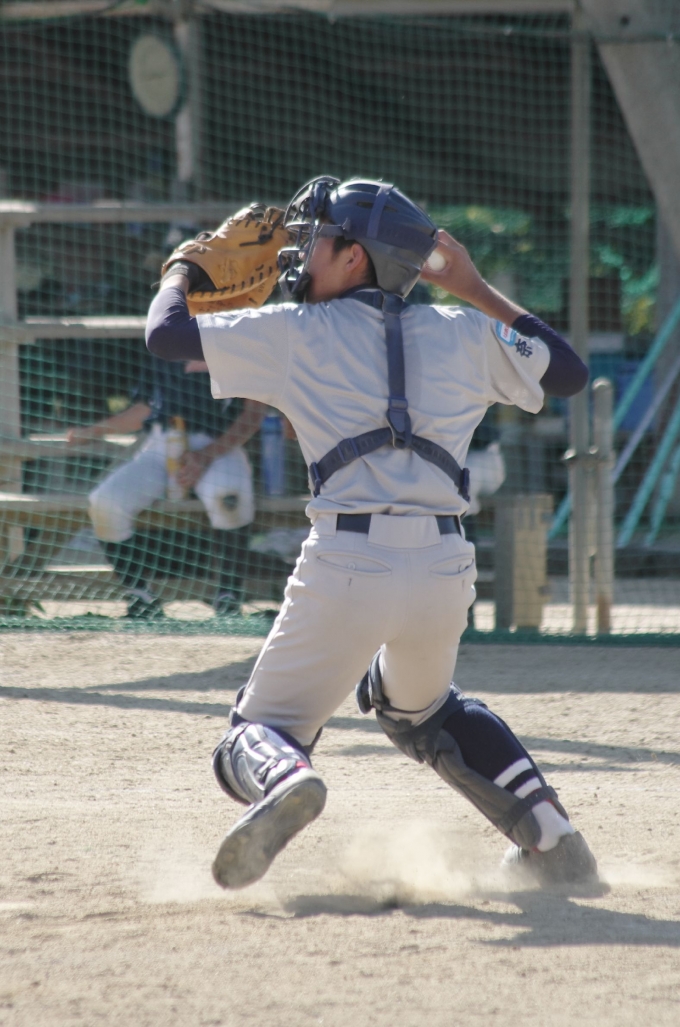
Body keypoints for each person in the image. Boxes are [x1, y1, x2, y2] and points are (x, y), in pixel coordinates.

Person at [146, 176, 597, 890]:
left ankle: (287, 778)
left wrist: (184, 270)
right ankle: (551, 837)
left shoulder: (296, 331)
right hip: (444, 570)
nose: (299, 252)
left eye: (318, 239)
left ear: (356, 256)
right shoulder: (463, 330)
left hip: (347, 563)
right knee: (422, 711)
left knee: (252, 738)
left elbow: (164, 335)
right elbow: (568, 373)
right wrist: (473, 287)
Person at [68, 358, 266, 617]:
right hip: (161, 445)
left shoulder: (235, 339)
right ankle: (140, 595)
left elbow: (254, 413)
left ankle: (228, 596)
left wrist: (207, 455)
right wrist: (92, 431)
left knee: (228, 498)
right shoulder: (163, 341)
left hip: (220, 446)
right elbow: (144, 410)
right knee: (105, 503)